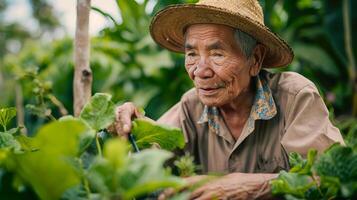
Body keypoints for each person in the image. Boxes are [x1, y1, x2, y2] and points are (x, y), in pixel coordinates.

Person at [113, 0, 345, 199]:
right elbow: (147, 157)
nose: (200, 71)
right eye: (192, 54)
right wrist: (132, 128)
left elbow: (331, 178)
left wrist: (255, 185)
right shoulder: (191, 106)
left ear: (255, 59)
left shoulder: (295, 97)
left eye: (217, 53)